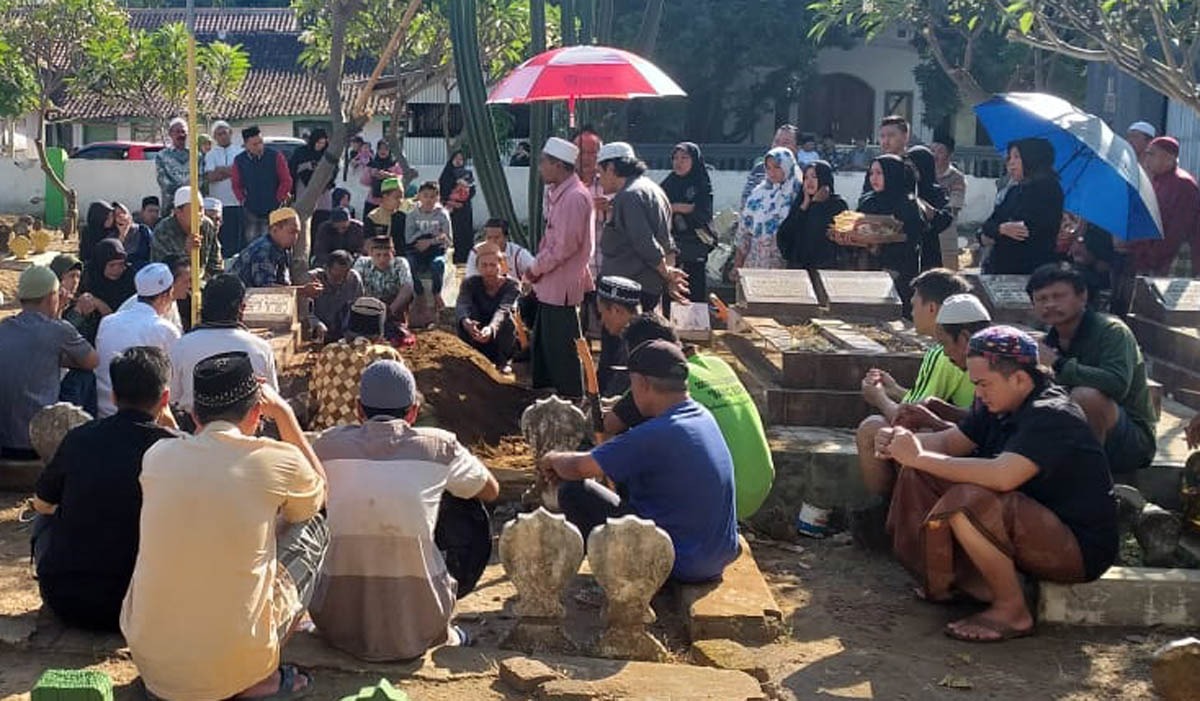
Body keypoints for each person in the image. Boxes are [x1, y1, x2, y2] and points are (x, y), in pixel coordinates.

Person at [878, 326, 1117, 642]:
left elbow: (1003, 476)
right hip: (1028, 523)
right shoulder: (998, 404)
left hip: (1077, 548)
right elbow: (949, 444)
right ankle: (955, 583)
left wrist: (918, 455)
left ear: (1019, 378)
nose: (978, 392)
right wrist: (901, 443)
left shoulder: (1052, 415)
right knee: (918, 473)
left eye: (984, 384)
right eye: (976, 384)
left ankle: (1013, 611)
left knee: (968, 499)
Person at [121, 351, 328, 700]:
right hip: (238, 664)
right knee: (316, 526)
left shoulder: (157, 456)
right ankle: (257, 680)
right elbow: (320, 496)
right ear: (257, 412)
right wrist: (286, 415)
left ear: (195, 414)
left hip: (154, 666)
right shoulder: (278, 459)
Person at [311, 359, 499, 661]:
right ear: (413, 412)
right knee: (465, 499)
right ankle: (445, 625)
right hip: (422, 623)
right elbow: (491, 491)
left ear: (359, 410)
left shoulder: (326, 446)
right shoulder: (440, 446)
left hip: (337, 623)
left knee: (315, 502)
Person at [541, 340, 740, 583]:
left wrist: (551, 459)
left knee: (574, 490)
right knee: (626, 478)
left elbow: (578, 468)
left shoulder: (657, 432)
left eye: (632, 383)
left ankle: (620, 576)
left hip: (678, 562)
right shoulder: (702, 416)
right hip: (715, 556)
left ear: (643, 384)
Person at [31, 346, 178, 632]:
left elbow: (43, 503)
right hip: (141, 605)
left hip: (65, 600)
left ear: (113, 395)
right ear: (165, 398)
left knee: (44, 513)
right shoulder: (176, 450)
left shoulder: (79, 438)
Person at [604, 313, 775, 520]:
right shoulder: (717, 364)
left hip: (722, 498)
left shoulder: (661, 378)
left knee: (632, 458)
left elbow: (610, 425)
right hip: (757, 487)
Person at [856, 270, 980, 497]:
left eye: (914, 305)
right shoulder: (972, 346)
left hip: (971, 446)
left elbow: (907, 415)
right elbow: (919, 405)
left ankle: (882, 507)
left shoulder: (945, 354)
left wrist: (879, 397)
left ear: (932, 308)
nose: (911, 312)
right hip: (966, 433)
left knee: (873, 428)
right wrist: (894, 391)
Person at [1027, 264, 1156, 476]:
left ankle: (1090, 478)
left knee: (1086, 397)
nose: (1049, 304)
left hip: (1129, 442)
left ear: (1082, 296)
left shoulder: (1112, 331)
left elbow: (1116, 384)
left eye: (1058, 296)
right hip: (1069, 433)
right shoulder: (1046, 338)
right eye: (1041, 299)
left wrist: (1058, 364)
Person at [0, 266, 98, 459]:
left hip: (5, 442)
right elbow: (92, 361)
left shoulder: (4, 328)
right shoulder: (59, 330)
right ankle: (87, 446)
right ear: (52, 297)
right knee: (85, 377)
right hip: (37, 444)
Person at [526, 137, 595, 398]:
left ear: (558, 165)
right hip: (550, 287)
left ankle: (571, 400)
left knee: (563, 350)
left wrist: (535, 268)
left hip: (560, 286)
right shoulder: (563, 194)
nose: (540, 167)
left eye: (544, 162)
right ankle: (545, 394)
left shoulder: (574, 197)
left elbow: (563, 247)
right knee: (545, 346)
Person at [169, 274, 278, 415]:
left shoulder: (181, 346)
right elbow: (271, 400)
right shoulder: (261, 348)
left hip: (193, 431)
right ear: (242, 307)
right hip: (245, 430)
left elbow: (172, 397)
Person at [598, 141, 684, 304]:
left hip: (627, 291)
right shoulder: (653, 189)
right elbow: (666, 241)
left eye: (600, 173)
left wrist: (667, 273)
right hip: (647, 286)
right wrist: (669, 275)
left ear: (610, 168)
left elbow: (645, 243)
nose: (599, 179)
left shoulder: (629, 196)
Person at [94, 264, 182, 418]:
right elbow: (175, 388)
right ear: (165, 296)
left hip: (104, 413)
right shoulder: (165, 330)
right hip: (147, 420)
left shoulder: (107, 322)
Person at [311, 297, 404, 430]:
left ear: (348, 329)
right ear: (379, 335)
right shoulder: (388, 356)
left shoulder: (329, 351)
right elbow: (404, 402)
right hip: (373, 439)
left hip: (327, 435)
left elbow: (313, 397)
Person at [979, 138, 1064, 275]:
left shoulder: (1048, 188)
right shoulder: (1015, 190)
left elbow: (1025, 230)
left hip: (1032, 269)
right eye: (1009, 157)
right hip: (1002, 268)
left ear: (1032, 158)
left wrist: (998, 231)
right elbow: (990, 224)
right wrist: (1000, 229)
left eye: (1017, 157)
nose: (1010, 162)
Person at [856, 155, 926, 305]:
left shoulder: (908, 203)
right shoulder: (868, 200)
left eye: (879, 173)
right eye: (871, 173)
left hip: (899, 268)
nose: (874, 178)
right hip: (869, 265)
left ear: (892, 173)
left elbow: (913, 237)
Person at [1127, 136, 1200, 276]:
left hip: (1177, 254)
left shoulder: (1183, 184)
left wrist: (1154, 255)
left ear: (1169, 158)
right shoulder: (1158, 182)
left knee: (1171, 296)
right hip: (1157, 255)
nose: (1146, 158)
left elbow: (1177, 228)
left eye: (1152, 154)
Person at [659, 142, 715, 303]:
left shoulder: (701, 184)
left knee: (694, 291)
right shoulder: (668, 183)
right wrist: (682, 208)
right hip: (671, 248)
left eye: (684, 158)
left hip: (694, 247)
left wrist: (676, 207)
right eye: (675, 158)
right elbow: (659, 208)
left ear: (694, 160)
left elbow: (703, 213)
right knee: (670, 291)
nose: (679, 162)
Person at [734, 146, 802, 272]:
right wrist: (737, 265)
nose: (772, 172)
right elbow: (744, 231)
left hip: (785, 265)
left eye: (777, 167)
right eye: (768, 168)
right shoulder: (758, 194)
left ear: (787, 166)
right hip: (755, 261)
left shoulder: (798, 195)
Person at [456, 243, 519, 374]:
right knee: (464, 315)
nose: (488, 269)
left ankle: (503, 361)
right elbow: (462, 303)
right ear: (478, 267)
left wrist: (491, 328)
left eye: (493, 265)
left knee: (508, 319)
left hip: (498, 334)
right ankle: (470, 356)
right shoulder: (470, 283)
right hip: (476, 330)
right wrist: (466, 321)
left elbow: (503, 309)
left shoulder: (512, 286)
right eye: (484, 265)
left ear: (500, 267)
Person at [777, 160, 849, 270]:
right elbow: (784, 235)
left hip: (826, 268)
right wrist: (804, 206)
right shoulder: (800, 203)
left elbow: (817, 233)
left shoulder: (837, 204)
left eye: (814, 177)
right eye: (805, 178)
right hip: (799, 268)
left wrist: (816, 205)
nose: (809, 182)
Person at [232, 126, 293, 243]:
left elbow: (286, 180)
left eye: (260, 142)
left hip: (274, 209)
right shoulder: (239, 160)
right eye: (254, 144)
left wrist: (279, 198)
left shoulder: (275, 156)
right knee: (252, 243)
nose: (259, 147)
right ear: (246, 145)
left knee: (273, 242)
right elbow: (236, 184)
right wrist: (243, 200)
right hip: (251, 210)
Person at [151, 186, 224, 283]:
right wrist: (186, 252)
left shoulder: (207, 225)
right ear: (178, 212)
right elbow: (164, 271)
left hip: (203, 283)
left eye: (201, 209)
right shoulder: (162, 231)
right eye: (194, 210)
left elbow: (215, 264)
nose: (200, 214)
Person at [74, 239, 135, 344]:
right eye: (112, 265)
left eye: (121, 264)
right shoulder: (88, 277)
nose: (117, 270)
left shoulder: (130, 277)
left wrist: (100, 304)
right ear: (101, 264)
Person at [404, 180, 452, 312]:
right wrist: (429, 232)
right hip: (416, 248)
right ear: (419, 196)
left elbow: (447, 239)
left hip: (436, 249)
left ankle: (436, 292)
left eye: (432, 196)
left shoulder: (442, 214)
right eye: (425, 195)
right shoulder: (412, 214)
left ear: (438, 197)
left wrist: (430, 241)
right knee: (409, 264)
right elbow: (408, 238)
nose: (429, 200)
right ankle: (419, 294)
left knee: (438, 264)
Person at [231, 207, 308, 289]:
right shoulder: (263, 250)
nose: (295, 237)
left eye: (297, 233)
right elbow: (266, 288)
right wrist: (302, 290)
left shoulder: (283, 248)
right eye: (292, 232)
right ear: (274, 230)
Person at [354, 236, 415, 337]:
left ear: (393, 254)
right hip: (368, 307)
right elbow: (354, 287)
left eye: (386, 255)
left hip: (393, 308)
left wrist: (389, 311)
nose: (382, 259)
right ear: (370, 254)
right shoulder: (362, 263)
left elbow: (407, 287)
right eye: (378, 255)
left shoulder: (400, 263)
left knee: (397, 335)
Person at [595, 276, 644, 396]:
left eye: (602, 313)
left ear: (616, 310)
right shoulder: (638, 334)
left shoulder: (637, 345)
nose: (602, 321)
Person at [907, 145, 954, 270]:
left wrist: (921, 205)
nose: (910, 171)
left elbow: (945, 219)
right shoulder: (903, 190)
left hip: (930, 249)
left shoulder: (937, 192)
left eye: (913, 167)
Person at [120, 254, 189, 334]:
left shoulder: (171, 302)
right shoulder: (131, 308)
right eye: (186, 281)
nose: (190, 286)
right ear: (171, 283)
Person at [204, 120, 244, 256]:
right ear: (215, 137)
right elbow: (211, 176)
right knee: (222, 242)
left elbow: (241, 173)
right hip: (218, 205)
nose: (222, 136)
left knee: (238, 242)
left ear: (231, 133)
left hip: (237, 202)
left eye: (225, 133)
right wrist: (231, 171)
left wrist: (221, 170)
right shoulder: (210, 155)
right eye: (219, 134)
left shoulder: (240, 152)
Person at [308, 250, 364, 344]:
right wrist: (316, 324)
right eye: (336, 276)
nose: (341, 280)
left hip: (345, 333)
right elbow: (305, 311)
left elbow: (359, 308)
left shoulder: (354, 279)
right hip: (317, 332)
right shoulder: (312, 279)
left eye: (344, 275)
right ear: (326, 268)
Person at [741, 125, 799, 208]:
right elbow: (745, 199)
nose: (779, 146)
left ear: (797, 147)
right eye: (776, 141)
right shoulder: (760, 169)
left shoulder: (805, 173)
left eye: (786, 143)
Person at [290, 127, 334, 235]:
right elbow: (293, 168)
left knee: (322, 223)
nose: (321, 145)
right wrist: (309, 165)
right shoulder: (301, 152)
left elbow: (334, 170)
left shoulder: (328, 154)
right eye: (318, 142)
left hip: (323, 193)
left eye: (323, 143)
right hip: (304, 190)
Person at [465, 218, 535, 281]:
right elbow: (471, 280)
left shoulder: (519, 254)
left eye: (497, 237)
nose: (492, 241)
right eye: (489, 238)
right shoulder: (476, 252)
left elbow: (535, 271)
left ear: (506, 237)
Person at [440, 151, 476, 264]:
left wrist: (464, 198)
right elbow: (442, 191)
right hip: (451, 209)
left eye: (461, 159)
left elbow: (473, 190)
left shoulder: (468, 173)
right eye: (456, 158)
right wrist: (452, 202)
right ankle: (453, 256)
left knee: (465, 232)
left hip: (464, 209)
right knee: (453, 232)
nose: (459, 161)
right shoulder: (446, 174)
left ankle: (466, 257)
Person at [861, 115, 911, 194]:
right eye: (882, 136)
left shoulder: (912, 166)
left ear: (905, 137)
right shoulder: (876, 165)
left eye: (891, 135)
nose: (885, 141)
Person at [156, 117, 192, 214]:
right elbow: (162, 180)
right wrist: (181, 193)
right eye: (177, 131)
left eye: (183, 131)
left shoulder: (196, 155)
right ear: (170, 134)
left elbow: (201, 179)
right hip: (170, 205)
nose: (181, 135)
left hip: (192, 203)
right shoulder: (162, 156)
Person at [365, 176, 410, 250]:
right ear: (385, 196)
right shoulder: (373, 217)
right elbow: (368, 244)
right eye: (397, 197)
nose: (400, 201)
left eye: (402, 197)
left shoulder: (403, 216)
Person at [363, 139, 403, 218]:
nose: (383, 151)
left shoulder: (395, 165)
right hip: (373, 201)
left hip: (389, 202)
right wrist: (371, 173)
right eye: (380, 149)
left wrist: (388, 176)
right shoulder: (372, 164)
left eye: (386, 149)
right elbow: (364, 182)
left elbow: (401, 180)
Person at [931, 135, 966, 220]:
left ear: (949, 155)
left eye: (940, 151)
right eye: (932, 151)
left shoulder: (957, 178)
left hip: (945, 226)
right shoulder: (923, 174)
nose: (934, 155)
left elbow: (954, 205)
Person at [112, 202, 152, 271]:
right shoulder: (112, 236)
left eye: (123, 213)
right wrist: (122, 235)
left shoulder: (143, 230)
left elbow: (153, 251)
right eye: (117, 215)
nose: (122, 217)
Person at [80, 201, 115, 267]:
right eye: (108, 217)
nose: (111, 220)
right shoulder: (88, 232)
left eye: (112, 216)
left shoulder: (113, 231)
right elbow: (86, 255)